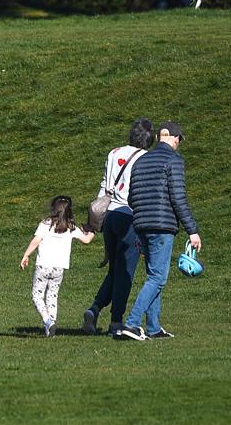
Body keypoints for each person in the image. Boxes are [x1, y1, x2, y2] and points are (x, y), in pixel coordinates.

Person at [117, 121, 202, 340]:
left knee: (153, 276)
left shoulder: (140, 161)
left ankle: (153, 327)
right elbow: (178, 197)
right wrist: (192, 230)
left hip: (141, 224)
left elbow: (130, 197)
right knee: (158, 278)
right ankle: (132, 324)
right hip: (162, 226)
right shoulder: (174, 160)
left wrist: (143, 213)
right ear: (175, 138)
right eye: (179, 140)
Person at [82, 119, 155, 335]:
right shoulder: (146, 158)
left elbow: (105, 187)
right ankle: (116, 321)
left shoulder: (113, 152)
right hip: (129, 216)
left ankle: (94, 309)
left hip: (110, 215)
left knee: (114, 270)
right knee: (125, 272)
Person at [21, 196, 95, 337]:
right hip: (59, 268)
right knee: (52, 296)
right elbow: (87, 240)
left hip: (43, 265)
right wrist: (93, 227)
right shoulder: (70, 227)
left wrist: (26, 255)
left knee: (37, 296)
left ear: (54, 209)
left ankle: (48, 321)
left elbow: (36, 240)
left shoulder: (46, 223)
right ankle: (51, 329)